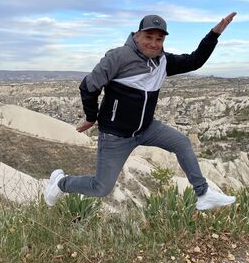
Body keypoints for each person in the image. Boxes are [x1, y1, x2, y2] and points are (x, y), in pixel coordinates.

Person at [44, 12, 237, 210]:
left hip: (146, 129)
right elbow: (88, 86)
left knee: (182, 143)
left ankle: (203, 193)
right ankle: (61, 183)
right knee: (101, 188)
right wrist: (91, 117)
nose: (153, 43)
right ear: (137, 35)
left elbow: (195, 61)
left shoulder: (162, 62)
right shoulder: (118, 57)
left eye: (159, 39)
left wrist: (214, 34)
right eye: (148, 37)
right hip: (116, 135)